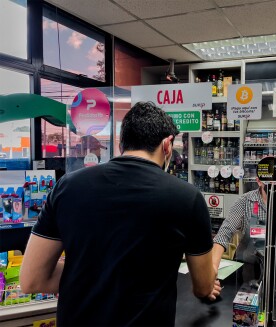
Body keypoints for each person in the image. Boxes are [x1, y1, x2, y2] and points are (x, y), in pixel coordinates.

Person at [20, 102, 219, 326]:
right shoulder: (188, 198)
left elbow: (32, 279)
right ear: (167, 145)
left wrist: (95, 271)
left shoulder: (67, 187)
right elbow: (203, 287)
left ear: (122, 142)